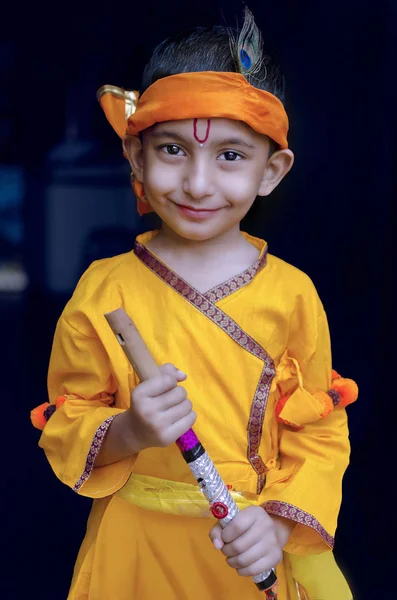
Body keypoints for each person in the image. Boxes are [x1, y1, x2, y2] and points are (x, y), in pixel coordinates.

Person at [31, 7, 358, 600]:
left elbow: (321, 432)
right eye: (173, 151)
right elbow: (67, 419)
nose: (199, 184)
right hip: (133, 554)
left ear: (271, 170)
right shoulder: (104, 291)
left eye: (230, 155)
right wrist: (129, 429)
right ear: (135, 157)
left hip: (246, 547)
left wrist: (279, 523)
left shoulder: (292, 294)